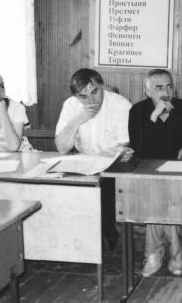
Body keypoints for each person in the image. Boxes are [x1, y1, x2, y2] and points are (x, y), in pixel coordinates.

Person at [128, 69, 182, 277]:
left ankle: (153, 252)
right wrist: (154, 116)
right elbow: (139, 148)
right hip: (151, 174)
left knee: (161, 196)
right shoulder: (138, 111)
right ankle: (175, 248)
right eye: (159, 88)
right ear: (147, 91)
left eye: (169, 86)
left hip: (181, 172)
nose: (165, 92)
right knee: (158, 195)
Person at [55, 68, 133, 250]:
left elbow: (124, 143)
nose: (91, 101)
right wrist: (77, 120)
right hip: (83, 161)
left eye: (95, 92)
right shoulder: (71, 106)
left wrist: (102, 161)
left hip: (113, 162)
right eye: (83, 97)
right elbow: (62, 147)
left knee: (104, 184)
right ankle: (81, 237)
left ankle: (107, 230)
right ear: (76, 97)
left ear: (102, 86)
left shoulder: (120, 104)